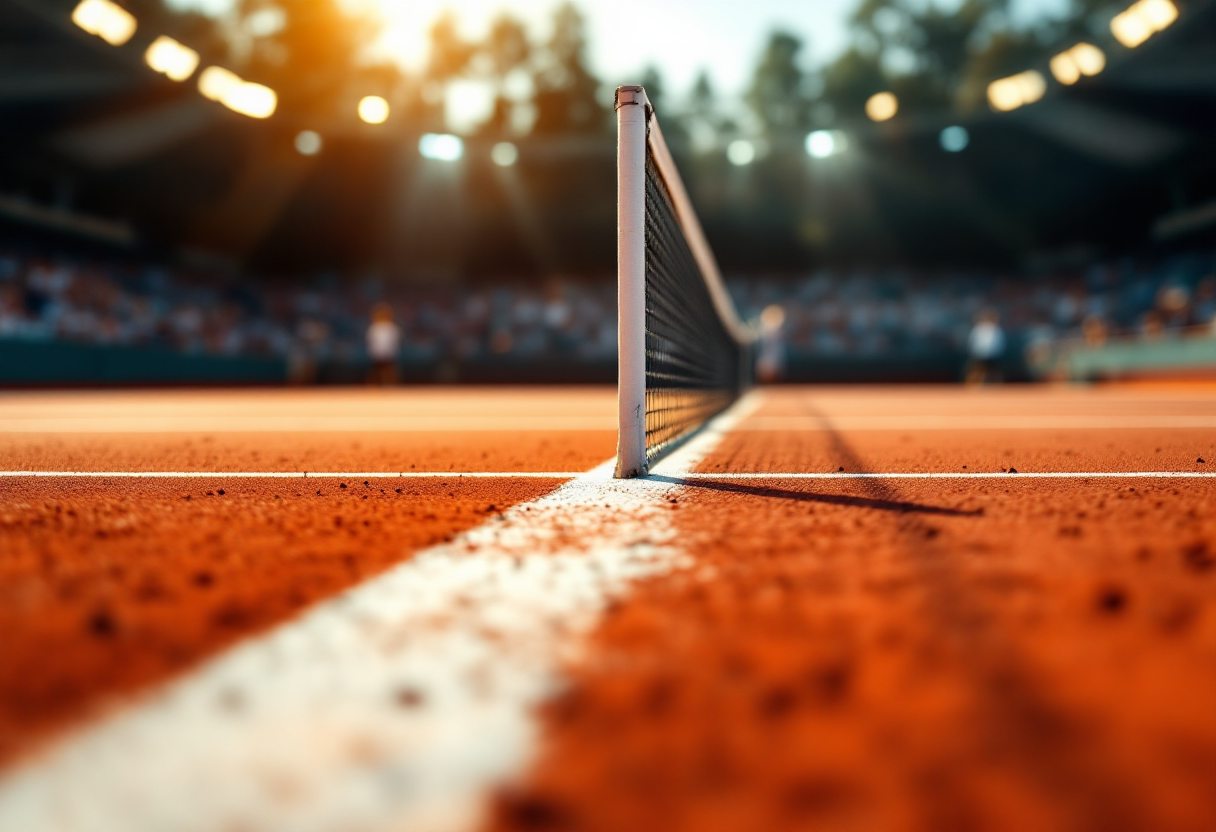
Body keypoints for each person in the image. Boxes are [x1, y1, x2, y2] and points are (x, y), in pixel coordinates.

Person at [966, 308, 1005, 385]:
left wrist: (996, 353)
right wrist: (976, 352)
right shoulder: (978, 328)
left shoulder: (996, 329)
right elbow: (973, 342)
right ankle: (972, 386)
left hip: (993, 355)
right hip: (979, 355)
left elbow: (1000, 343)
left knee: (995, 372)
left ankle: (996, 386)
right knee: (976, 371)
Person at [366, 302, 400, 386]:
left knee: (389, 371)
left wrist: (391, 352)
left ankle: (390, 385)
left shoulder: (391, 327)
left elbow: (394, 341)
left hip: (388, 354)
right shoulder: (374, 328)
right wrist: (374, 352)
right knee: (376, 371)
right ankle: (373, 385)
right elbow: (371, 342)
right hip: (377, 354)